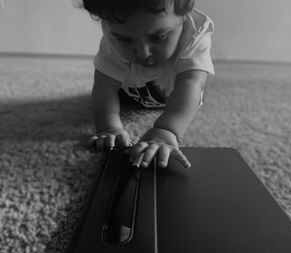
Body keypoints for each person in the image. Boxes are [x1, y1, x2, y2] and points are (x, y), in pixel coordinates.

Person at [83, 0, 215, 169]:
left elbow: (191, 82)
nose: (142, 52)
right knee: (109, 93)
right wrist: (109, 128)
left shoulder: (195, 33)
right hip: (127, 93)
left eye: (158, 36)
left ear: (183, 15)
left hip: (175, 93)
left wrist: (166, 132)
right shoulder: (111, 36)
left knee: (191, 94)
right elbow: (104, 84)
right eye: (124, 39)